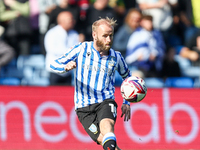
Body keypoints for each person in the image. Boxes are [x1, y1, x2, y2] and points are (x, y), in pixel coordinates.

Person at [50, 17, 131, 150]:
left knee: (107, 128)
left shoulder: (116, 57)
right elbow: (53, 64)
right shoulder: (81, 49)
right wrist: (65, 68)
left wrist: (126, 102)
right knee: (104, 141)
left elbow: (128, 78)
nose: (109, 40)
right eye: (105, 36)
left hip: (105, 101)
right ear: (94, 35)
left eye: (111, 36)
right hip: (83, 108)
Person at [44, 11, 79, 85]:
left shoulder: (74, 34)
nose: (72, 21)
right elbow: (51, 49)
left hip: (68, 72)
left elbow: (77, 50)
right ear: (61, 21)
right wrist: (70, 52)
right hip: (55, 71)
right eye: (70, 19)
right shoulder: (52, 33)